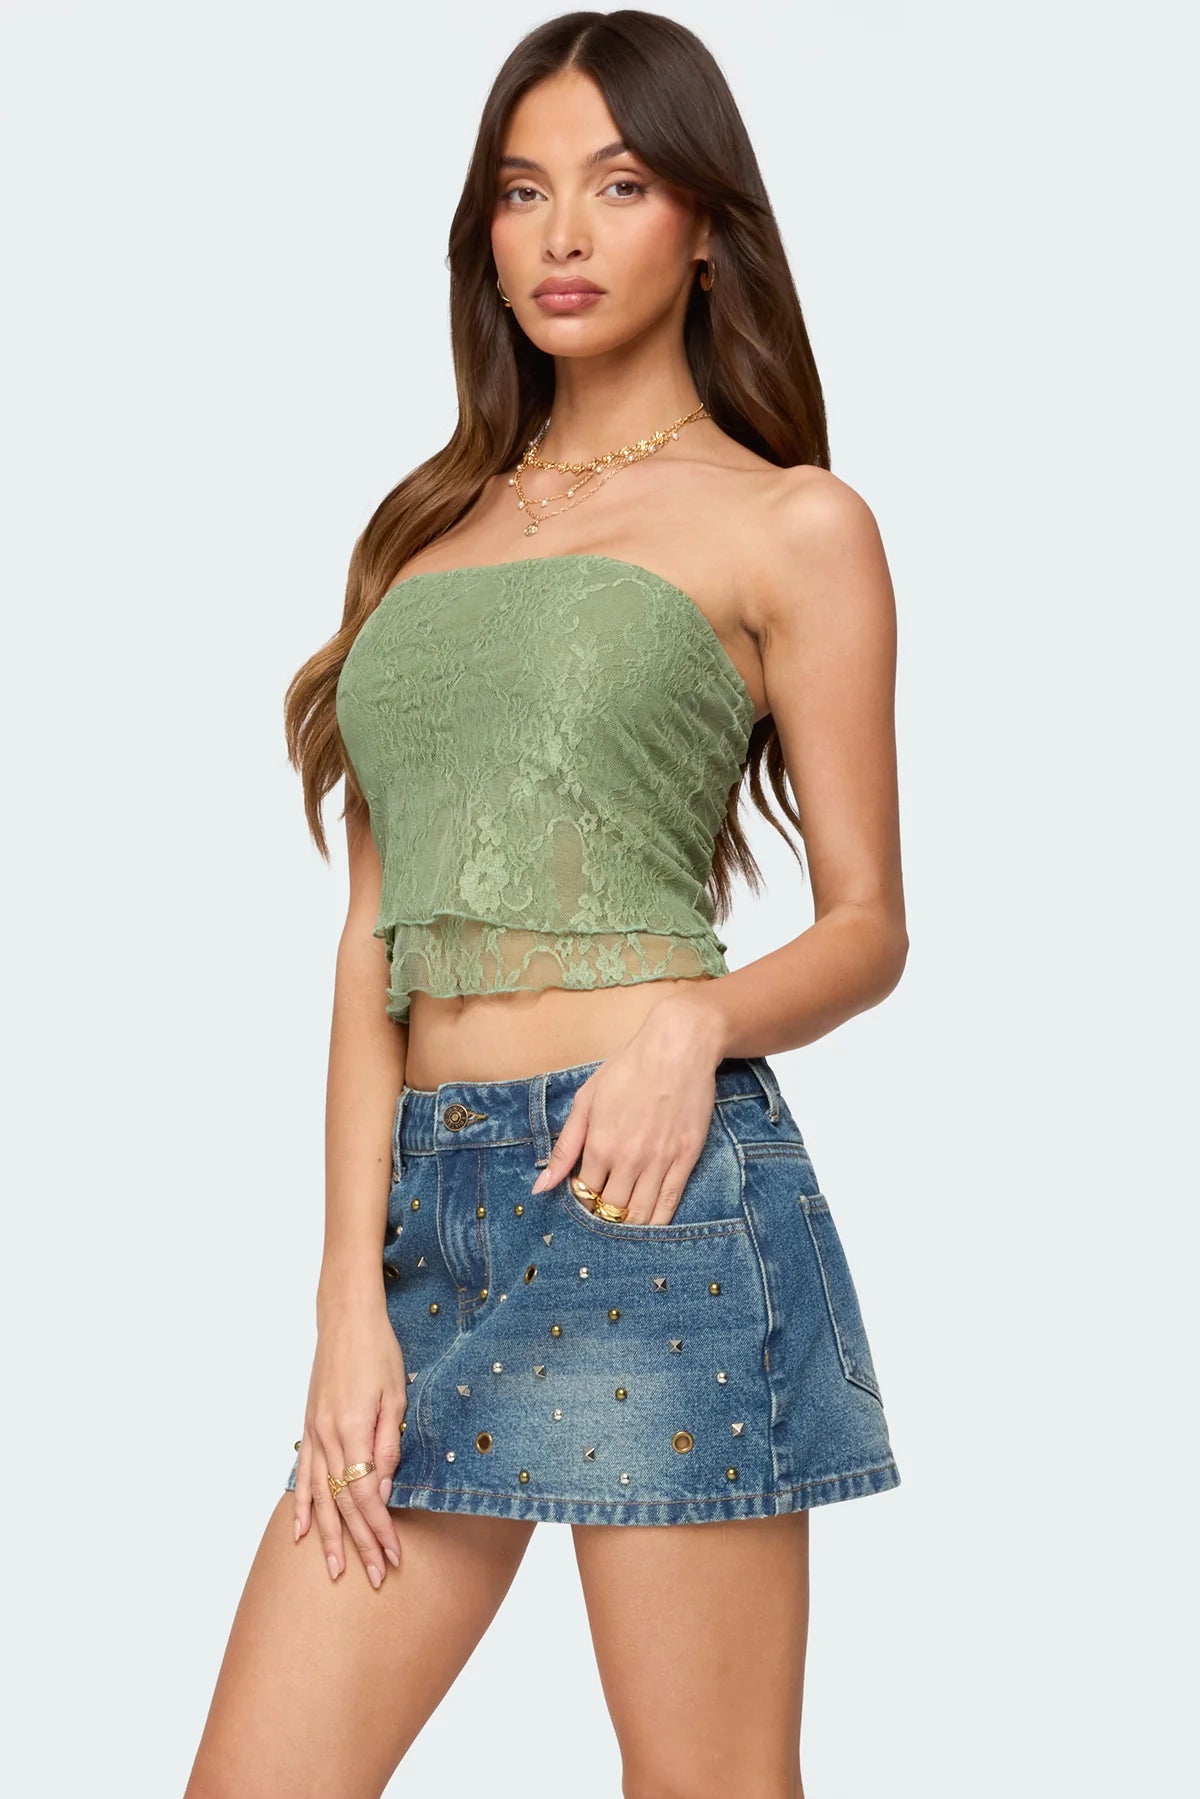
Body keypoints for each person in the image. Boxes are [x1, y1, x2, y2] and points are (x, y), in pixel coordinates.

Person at [184, 12, 907, 1797]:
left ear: (707, 227)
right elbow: (372, 942)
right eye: (523, 192)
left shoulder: (791, 524)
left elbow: (869, 924)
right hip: (430, 1224)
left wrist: (694, 1024)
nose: (563, 234)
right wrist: (345, 1296)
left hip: (655, 1196)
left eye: (620, 184)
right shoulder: (421, 536)